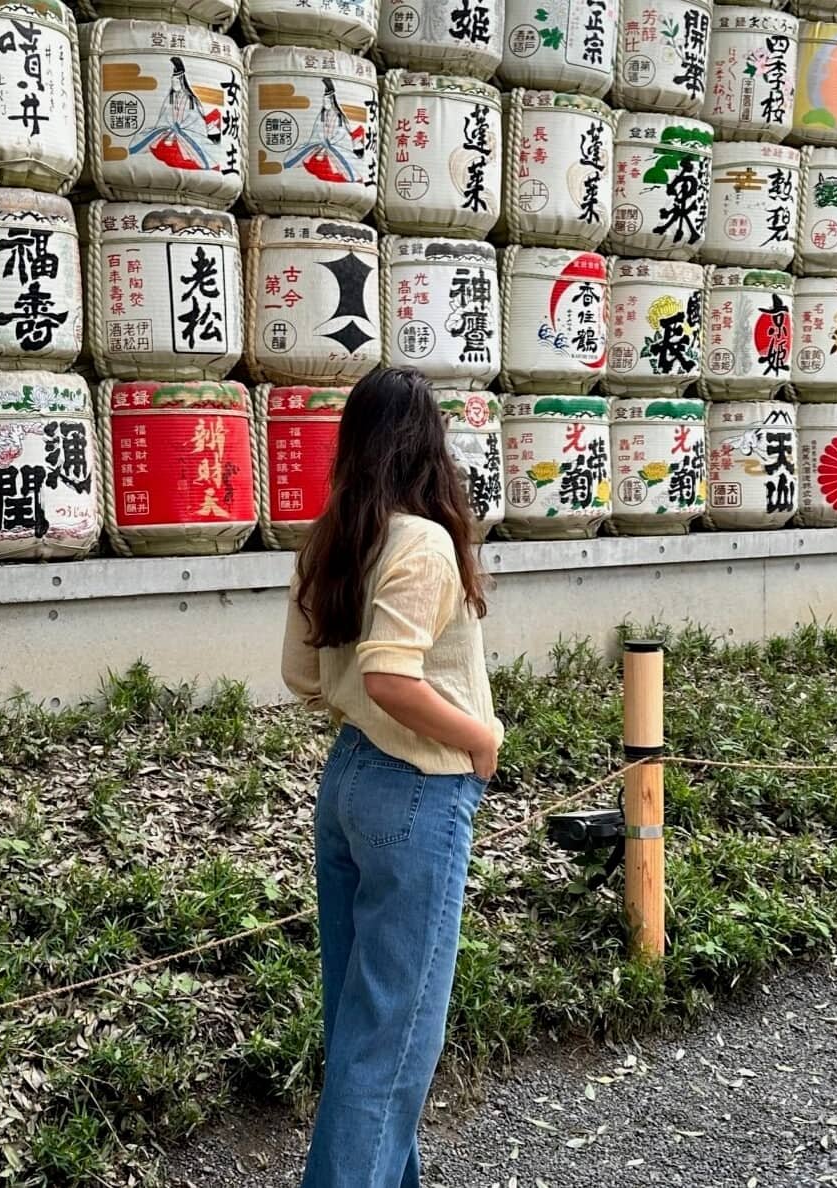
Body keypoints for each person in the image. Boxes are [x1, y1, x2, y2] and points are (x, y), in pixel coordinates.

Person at [281, 367, 504, 1188]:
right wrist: (480, 736)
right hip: (418, 788)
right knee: (394, 1043)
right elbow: (389, 676)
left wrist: (360, 703)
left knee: (364, 1029)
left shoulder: (334, 538)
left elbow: (303, 675)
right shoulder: (423, 542)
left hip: (347, 784)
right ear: (428, 444)